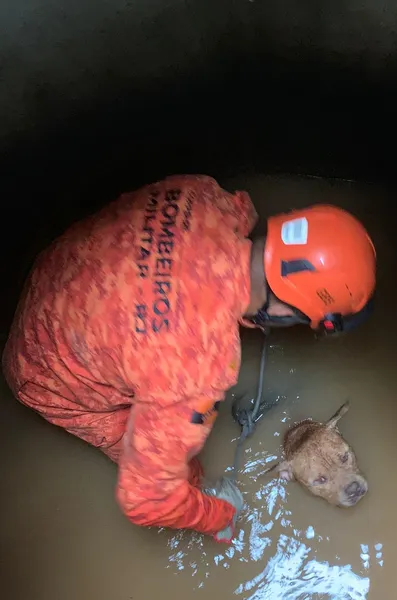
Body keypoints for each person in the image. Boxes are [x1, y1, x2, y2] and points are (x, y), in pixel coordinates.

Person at [1, 174, 376, 544]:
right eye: (303, 320)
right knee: (181, 474)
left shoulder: (205, 195)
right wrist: (217, 515)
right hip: (47, 372)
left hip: (54, 278)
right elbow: (147, 500)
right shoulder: (196, 368)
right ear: (287, 310)